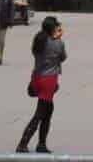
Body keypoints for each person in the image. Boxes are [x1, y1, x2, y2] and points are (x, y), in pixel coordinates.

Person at [16, 16, 66, 153]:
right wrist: (58, 39)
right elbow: (63, 57)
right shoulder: (57, 43)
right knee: (40, 114)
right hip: (49, 80)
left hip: (37, 77)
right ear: (53, 28)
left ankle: (42, 144)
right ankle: (23, 143)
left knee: (48, 111)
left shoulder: (39, 40)